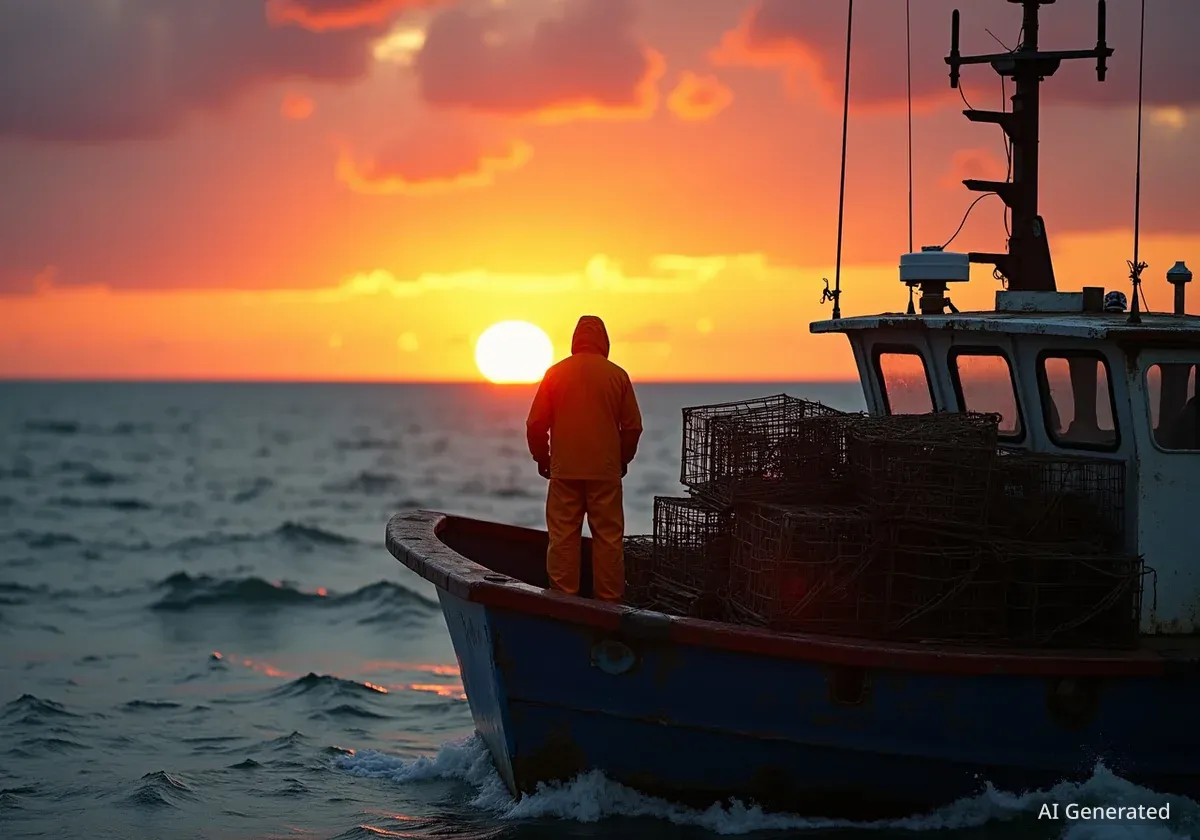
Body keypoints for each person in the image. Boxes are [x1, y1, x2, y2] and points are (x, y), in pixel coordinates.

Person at [526, 315, 643, 602]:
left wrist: (542, 458)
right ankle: (609, 602)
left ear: (575, 341)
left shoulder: (554, 374)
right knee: (608, 539)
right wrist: (623, 459)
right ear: (604, 342)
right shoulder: (617, 375)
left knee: (563, 537)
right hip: (605, 472)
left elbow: (535, 424)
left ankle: (564, 599)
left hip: (564, 471)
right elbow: (633, 427)